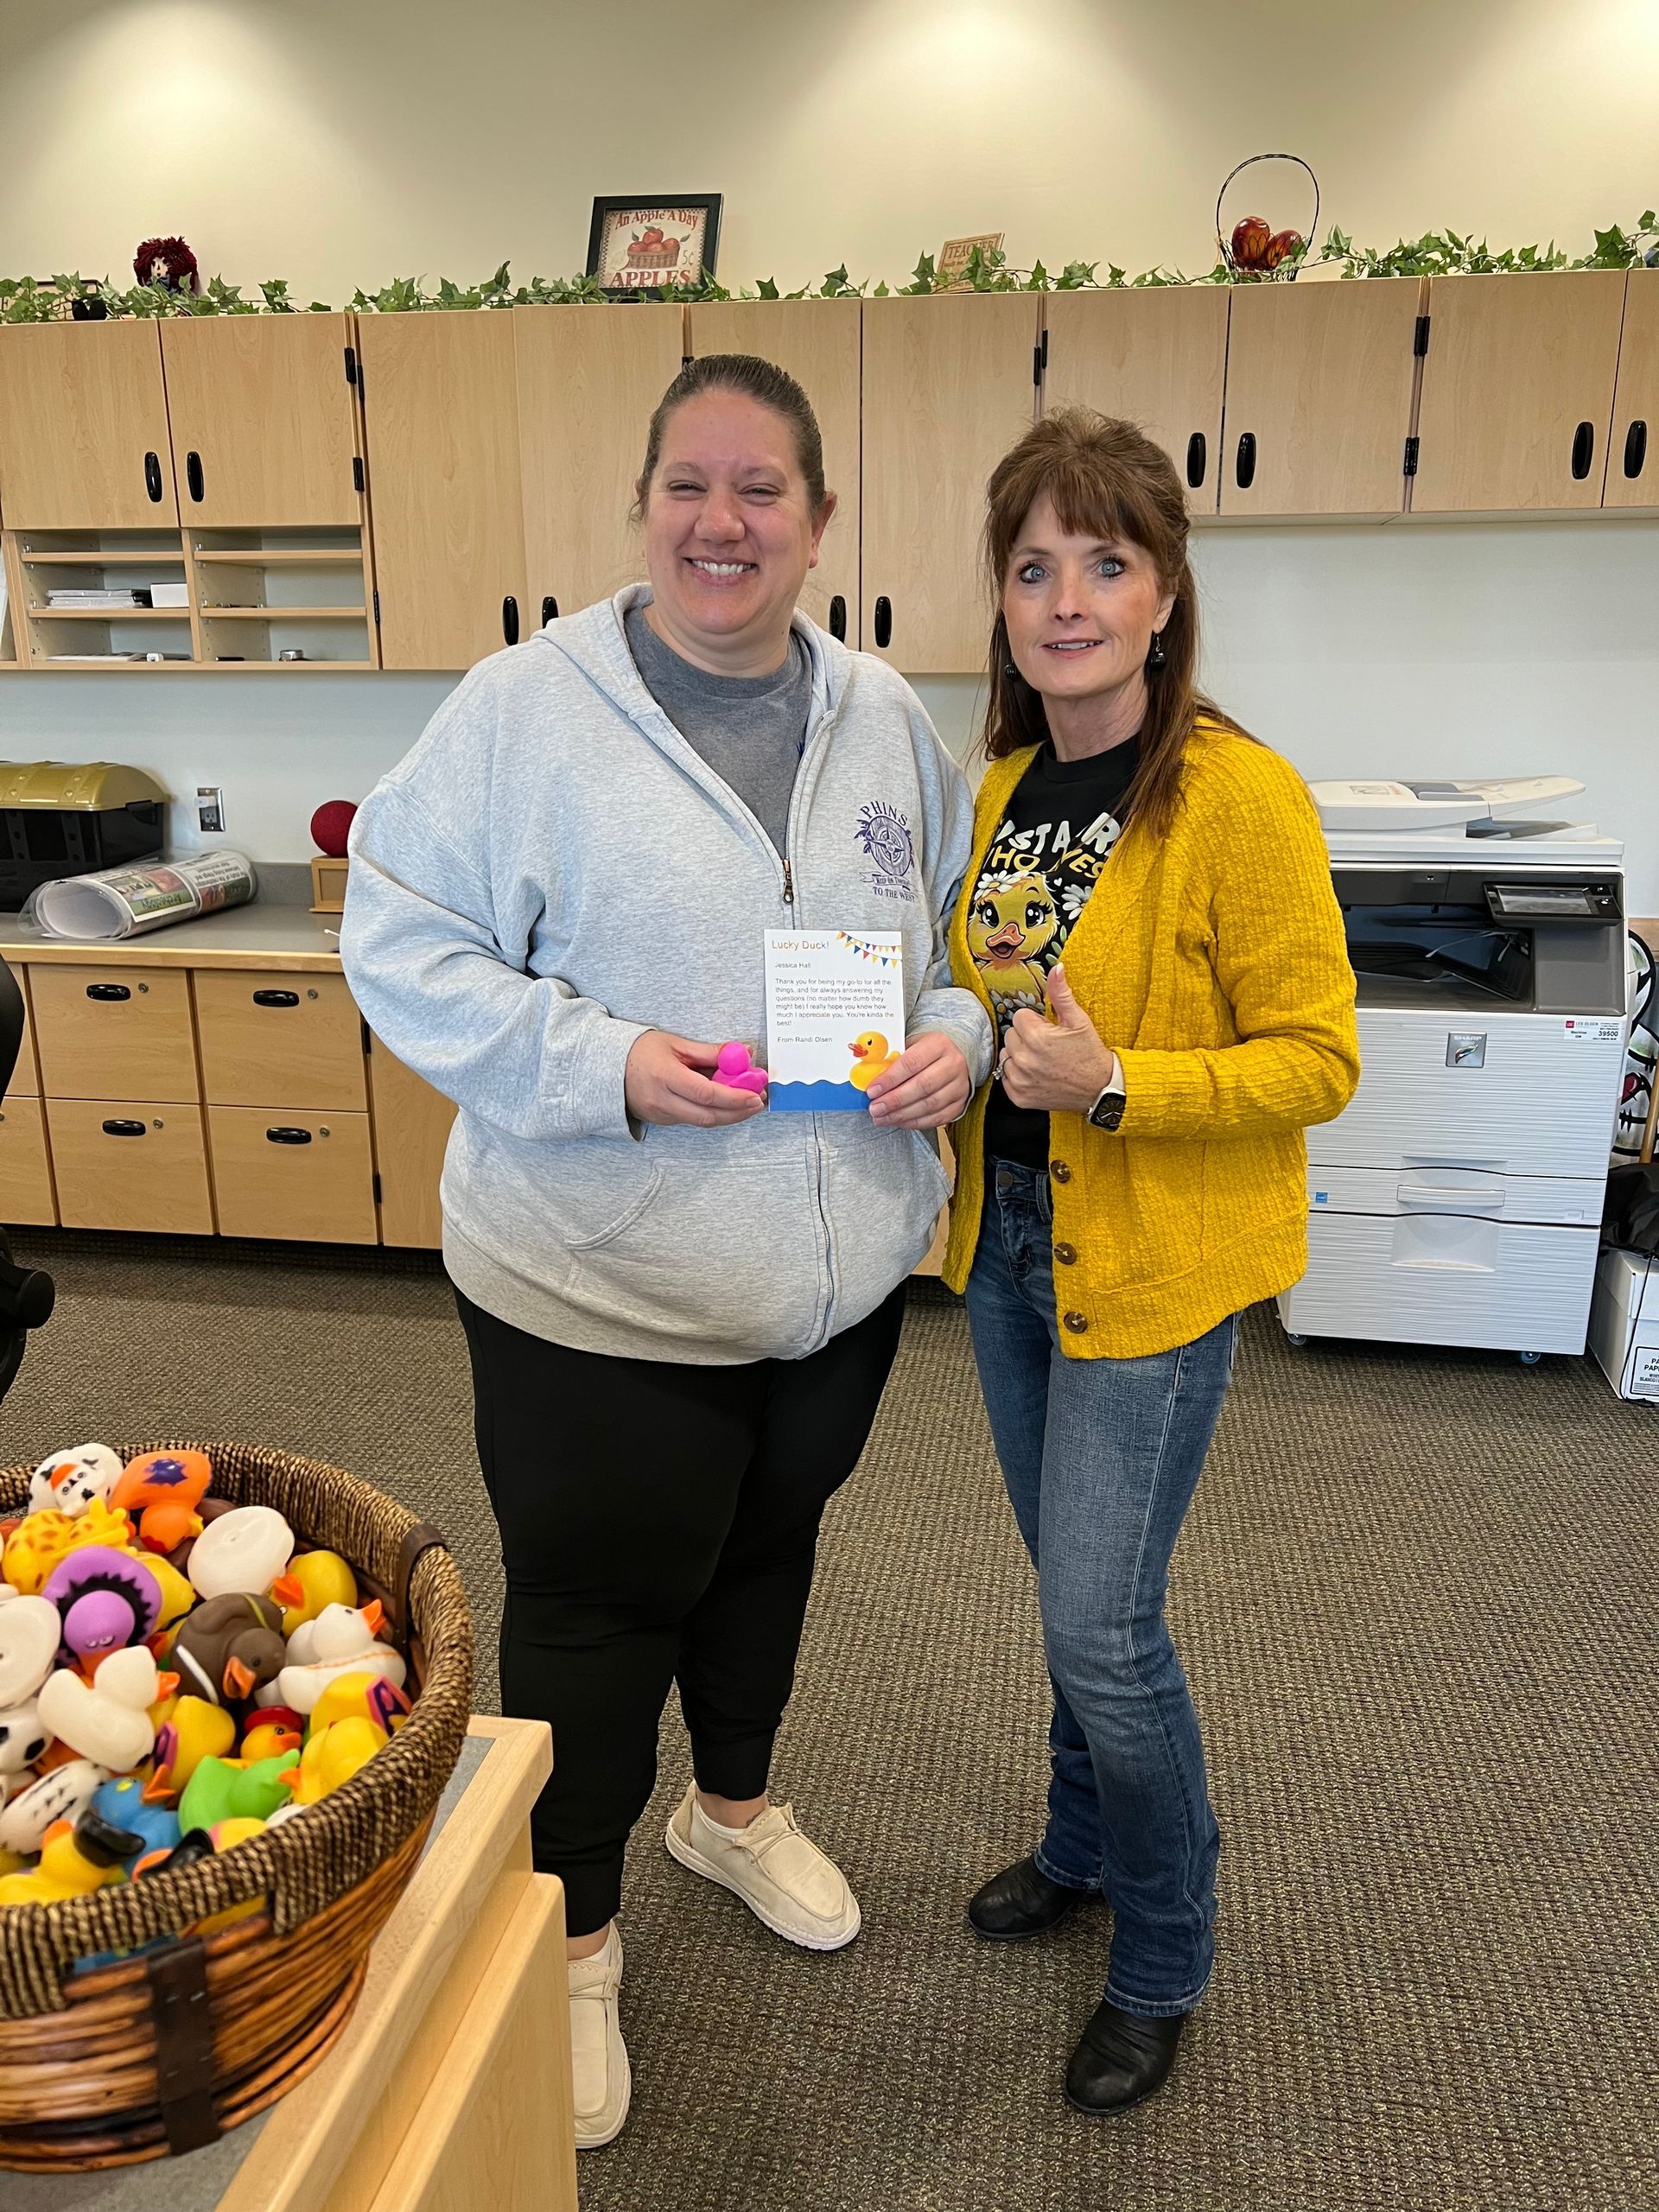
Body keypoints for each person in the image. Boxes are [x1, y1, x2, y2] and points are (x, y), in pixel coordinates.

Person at [341, 354, 991, 2151]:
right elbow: (399, 940)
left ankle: (737, 1807)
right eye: (689, 485)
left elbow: (939, 941)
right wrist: (600, 1063)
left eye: (762, 489)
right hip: (599, 1289)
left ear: (818, 521)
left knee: (767, 1558)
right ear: (645, 504)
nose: (723, 522)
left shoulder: (881, 716)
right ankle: (578, 1936)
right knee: (598, 1616)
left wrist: (960, 1034)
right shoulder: (518, 710)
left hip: (832, 1279)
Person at [943, 409, 1359, 2116]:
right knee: (1068, 1593)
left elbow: (1318, 1058)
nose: (1067, 598)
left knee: (1106, 1630)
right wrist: (943, 1058)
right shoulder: (997, 784)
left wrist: (1115, 1081)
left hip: (1160, 1266)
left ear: (1166, 592)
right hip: (1009, 1248)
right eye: (1034, 565)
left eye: (1105, 563)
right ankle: (1081, 1840)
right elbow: (985, 1000)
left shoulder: (1236, 795)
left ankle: (1167, 1944)